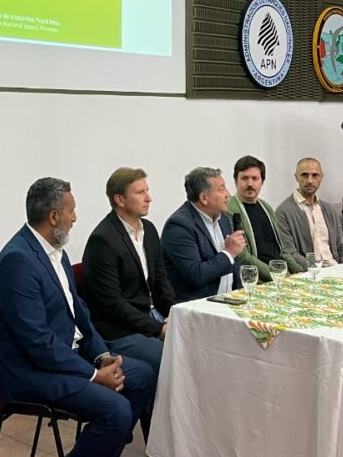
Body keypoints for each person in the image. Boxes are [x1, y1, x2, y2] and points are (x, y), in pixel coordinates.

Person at [0, 178, 155, 457]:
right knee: (115, 411)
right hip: (30, 372)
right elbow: (37, 343)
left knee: (142, 376)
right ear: (53, 216)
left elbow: (79, 312)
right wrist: (95, 375)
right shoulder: (17, 262)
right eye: (71, 210)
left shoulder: (54, 251)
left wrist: (102, 356)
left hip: (63, 358)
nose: (75, 217)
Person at [82, 167, 176, 381]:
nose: (149, 198)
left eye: (147, 191)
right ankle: (160, 414)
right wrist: (159, 328)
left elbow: (161, 279)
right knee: (171, 358)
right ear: (120, 200)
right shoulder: (103, 240)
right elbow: (113, 305)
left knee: (197, 347)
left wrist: (173, 314)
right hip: (119, 329)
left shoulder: (149, 230)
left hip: (152, 317)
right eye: (140, 193)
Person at [161, 167, 245, 301]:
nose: (228, 194)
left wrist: (241, 294)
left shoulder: (223, 218)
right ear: (204, 198)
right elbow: (196, 275)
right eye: (222, 189)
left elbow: (234, 263)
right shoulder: (179, 226)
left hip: (229, 300)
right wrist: (228, 253)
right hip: (197, 307)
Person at [225, 155, 306, 281]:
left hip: (281, 275)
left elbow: (281, 248)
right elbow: (243, 256)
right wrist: (279, 275)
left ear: (262, 181)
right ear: (236, 181)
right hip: (258, 279)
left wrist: (297, 269)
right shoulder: (230, 210)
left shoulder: (266, 207)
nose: (250, 184)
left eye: (255, 178)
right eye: (244, 178)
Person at [276, 158, 343, 267]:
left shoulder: (328, 209)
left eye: (315, 175)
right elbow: (289, 253)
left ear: (321, 177)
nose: (310, 181)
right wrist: (316, 270)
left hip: (335, 269)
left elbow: (342, 246)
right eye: (304, 175)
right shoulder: (283, 212)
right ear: (296, 177)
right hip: (310, 273)